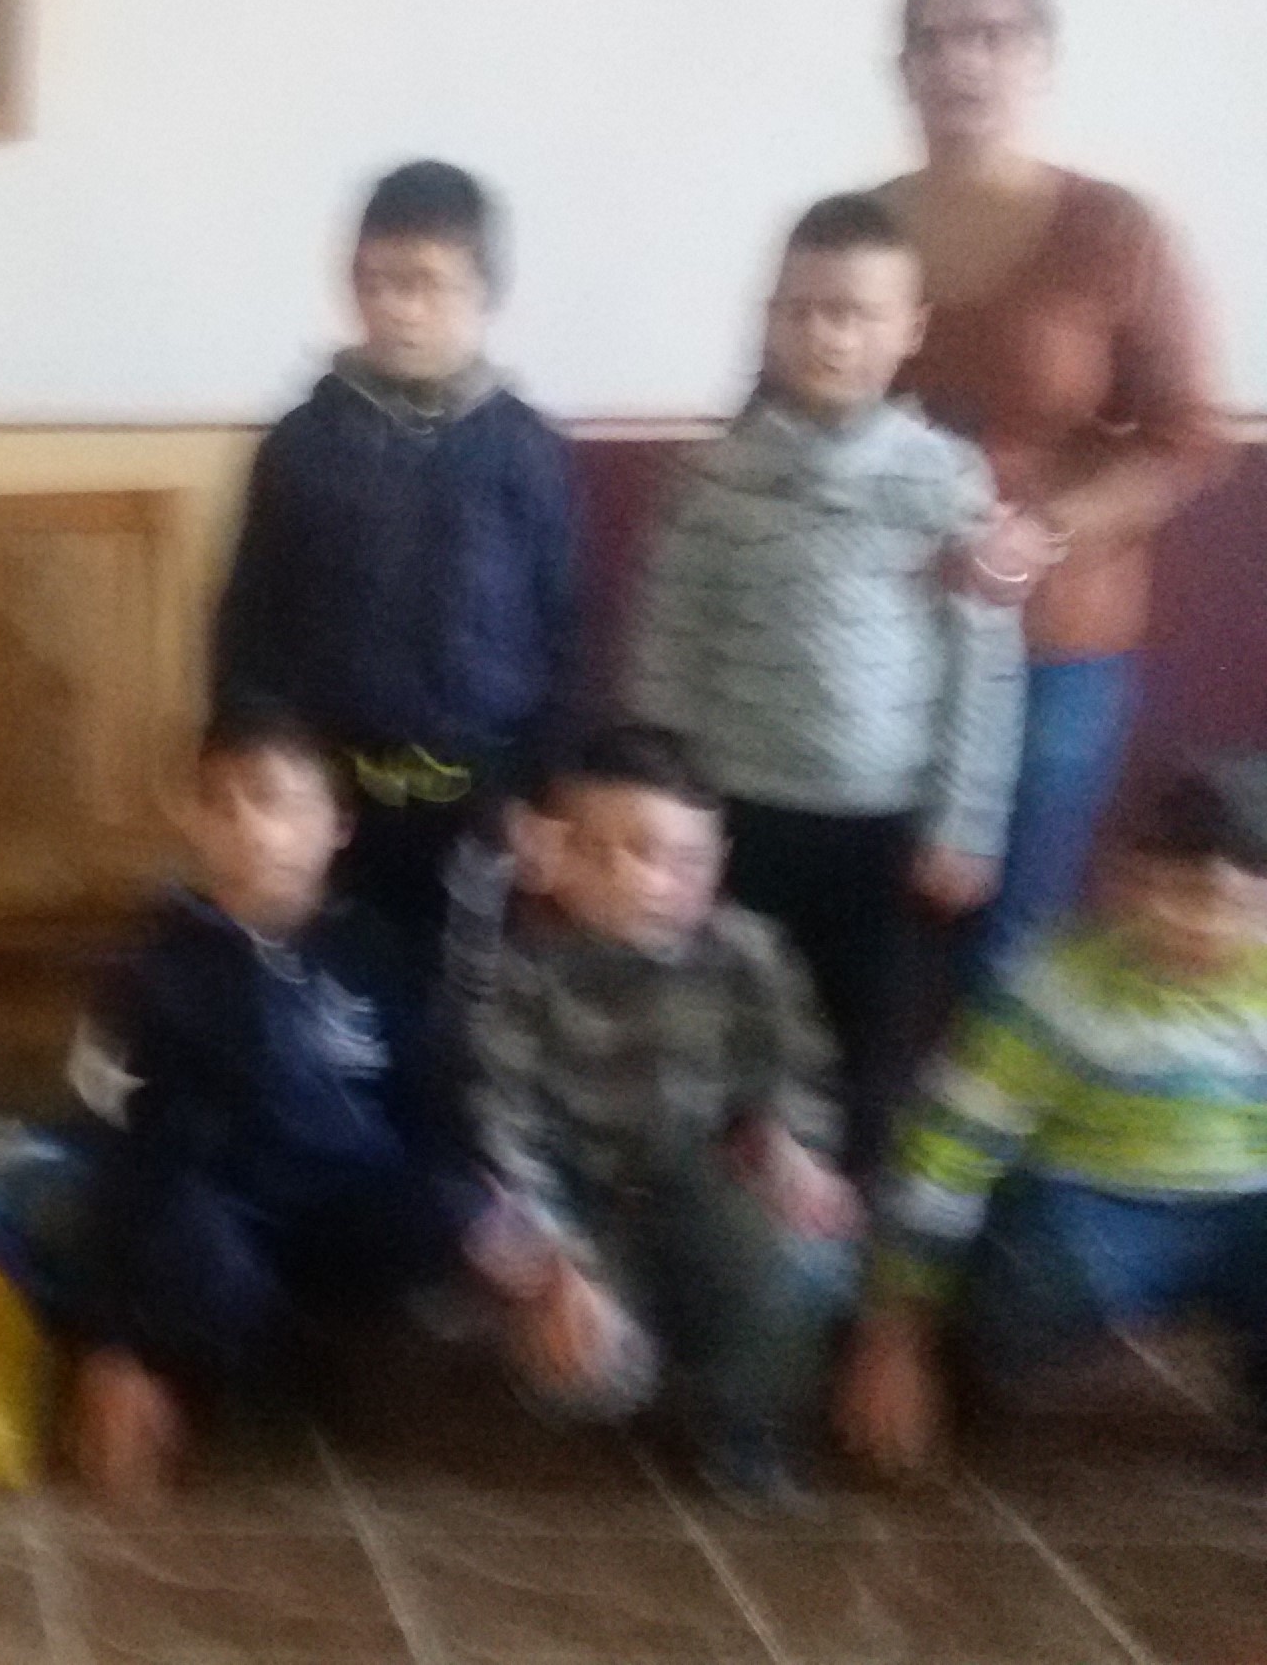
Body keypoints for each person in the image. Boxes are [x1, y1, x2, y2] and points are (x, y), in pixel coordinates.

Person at [627, 193, 1025, 1183]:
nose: (828, 336)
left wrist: (965, 826)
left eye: (854, 313)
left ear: (909, 328)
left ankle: (849, 1249)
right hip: (739, 817)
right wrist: (663, 812)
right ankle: (734, 1239)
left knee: (867, 1053)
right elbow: (670, 647)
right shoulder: (714, 479)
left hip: (885, 831)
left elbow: (982, 668)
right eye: (803, 311)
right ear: (771, 320)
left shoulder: (947, 480)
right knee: (723, 1037)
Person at [878, 0, 1228, 991]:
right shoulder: (860, 231)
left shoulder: (1112, 230)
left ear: (1041, 56)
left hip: (1057, 642)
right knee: (875, 925)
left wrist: (1048, 531)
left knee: (1015, 934)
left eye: (992, 35)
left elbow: (1188, 433)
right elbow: (784, 413)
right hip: (879, 638)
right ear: (904, 68)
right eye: (935, 40)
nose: (962, 61)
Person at [65, 708, 495, 1504]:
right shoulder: (146, 971)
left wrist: (497, 1225)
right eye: (221, 805)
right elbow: (111, 1155)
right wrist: (116, 1344)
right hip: (221, 1221)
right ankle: (198, 1374)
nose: (252, 831)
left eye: (278, 802)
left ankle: (325, 1362)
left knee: (453, 1204)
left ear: (337, 825)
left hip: (347, 1219)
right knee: (182, 1243)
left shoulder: (379, 956)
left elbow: (433, 1111)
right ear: (191, 820)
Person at [841, 763, 1267, 1477]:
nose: (1205, 924)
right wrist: (897, 1334)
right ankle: (965, 1364)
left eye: (1242, 905)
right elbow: (950, 1148)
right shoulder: (1054, 983)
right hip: (1090, 1213)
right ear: (1129, 881)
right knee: (1048, 1273)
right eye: (1182, 893)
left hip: (1242, 1211)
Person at [475, 726, 858, 1510]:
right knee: (585, 1375)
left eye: (680, 858)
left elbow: (799, 1074)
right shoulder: (524, 976)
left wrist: (796, 1150)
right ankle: (632, 1349)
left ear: (717, 860)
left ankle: (743, 1417)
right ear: (561, 857)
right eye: (608, 852)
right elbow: (507, 1134)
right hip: (590, 1206)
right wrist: (556, 1261)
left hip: (712, 1190)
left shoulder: (752, 955)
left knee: (816, 1251)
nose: (644, 880)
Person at [213, 161, 576, 977]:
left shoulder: (528, 451)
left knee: (467, 992)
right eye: (374, 282)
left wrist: (547, 791)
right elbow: (249, 617)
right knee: (330, 984)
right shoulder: (300, 446)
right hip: (329, 789)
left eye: (424, 284)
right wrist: (245, 767)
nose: (397, 308)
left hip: (481, 794)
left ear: (485, 289)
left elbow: (563, 625)